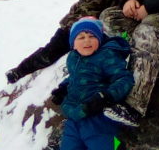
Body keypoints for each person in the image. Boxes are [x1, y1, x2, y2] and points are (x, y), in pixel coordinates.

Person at [5, 0, 130, 84]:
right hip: (75, 27)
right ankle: (19, 71)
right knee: (50, 53)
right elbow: (87, 13)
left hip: (99, 26)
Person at [51, 17, 134, 150]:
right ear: (73, 43)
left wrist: (106, 96)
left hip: (97, 118)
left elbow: (125, 79)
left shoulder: (106, 56)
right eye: (81, 37)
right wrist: (63, 88)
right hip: (74, 117)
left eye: (92, 36)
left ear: (99, 39)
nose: (87, 40)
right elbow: (74, 77)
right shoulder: (73, 57)